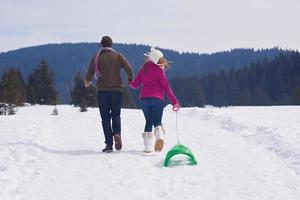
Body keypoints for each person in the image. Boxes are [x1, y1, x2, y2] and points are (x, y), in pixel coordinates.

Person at [85, 36, 134, 153]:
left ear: (101, 45)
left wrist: (87, 82)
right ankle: (117, 134)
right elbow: (129, 69)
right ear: (111, 45)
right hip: (117, 91)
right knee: (116, 115)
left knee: (105, 118)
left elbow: (89, 74)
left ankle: (108, 144)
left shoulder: (96, 57)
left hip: (102, 91)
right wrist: (130, 80)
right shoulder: (118, 56)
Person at [130, 47, 180, 153]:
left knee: (148, 121)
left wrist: (130, 81)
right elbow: (166, 87)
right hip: (157, 100)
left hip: (144, 100)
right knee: (157, 121)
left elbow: (135, 85)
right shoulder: (160, 71)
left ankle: (147, 148)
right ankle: (159, 137)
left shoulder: (143, 70)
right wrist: (174, 102)